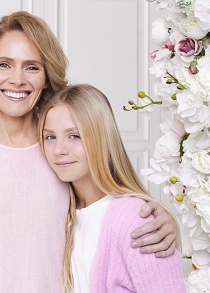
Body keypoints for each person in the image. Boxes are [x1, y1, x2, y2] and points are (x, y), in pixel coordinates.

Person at [0, 11, 178, 292]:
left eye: (31, 67)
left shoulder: (58, 152)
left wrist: (159, 217)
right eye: (4, 64)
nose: (17, 79)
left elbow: (102, 204)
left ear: (46, 78)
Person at [39, 84, 185, 292]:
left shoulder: (137, 219)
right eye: (50, 137)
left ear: (100, 138)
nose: (59, 150)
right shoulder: (62, 213)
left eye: (74, 135)